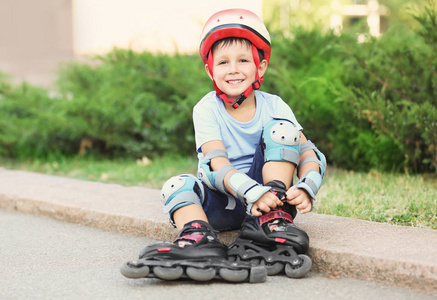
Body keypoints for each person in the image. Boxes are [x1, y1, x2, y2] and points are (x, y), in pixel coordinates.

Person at [120, 8, 326, 283]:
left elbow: (310, 155)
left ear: (260, 66)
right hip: (223, 200)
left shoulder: (274, 105)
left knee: (282, 131)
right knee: (175, 186)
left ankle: (272, 221)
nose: (233, 70)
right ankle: (198, 237)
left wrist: (306, 187)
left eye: (243, 60)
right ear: (210, 69)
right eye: (223, 62)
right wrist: (251, 192)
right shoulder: (206, 109)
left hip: (268, 202)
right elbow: (217, 166)